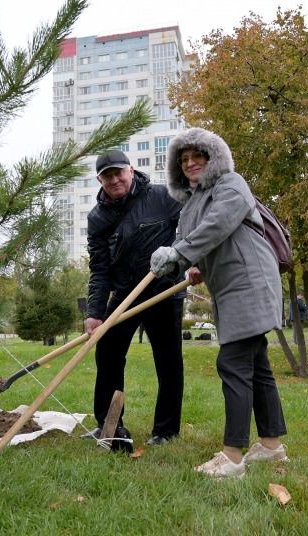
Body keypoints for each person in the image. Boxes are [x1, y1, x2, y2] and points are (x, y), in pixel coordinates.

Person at [151, 127, 287, 479]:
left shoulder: (231, 183)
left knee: (233, 363)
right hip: (227, 287)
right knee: (257, 366)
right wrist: (183, 263)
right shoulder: (190, 204)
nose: (191, 163)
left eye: (198, 156)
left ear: (213, 158)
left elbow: (220, 223)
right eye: (183, 159)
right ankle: (272, 448)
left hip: (250, 281)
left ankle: (232, 458)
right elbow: (187, 241)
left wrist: (181, 252)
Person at [82, 150, 187, 447]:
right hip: (125, 295)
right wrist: (95, 313)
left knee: (168, 362)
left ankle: (165, 431)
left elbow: (190, 227)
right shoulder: (98, 217)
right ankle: (109, 424)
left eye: (119, 173)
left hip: (163, 292)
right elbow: (99, 269)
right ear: (100, 180)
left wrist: (181, 255)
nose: (115, 179)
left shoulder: (162, 196)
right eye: (107, 176)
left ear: (130, 170)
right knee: (108, 355)